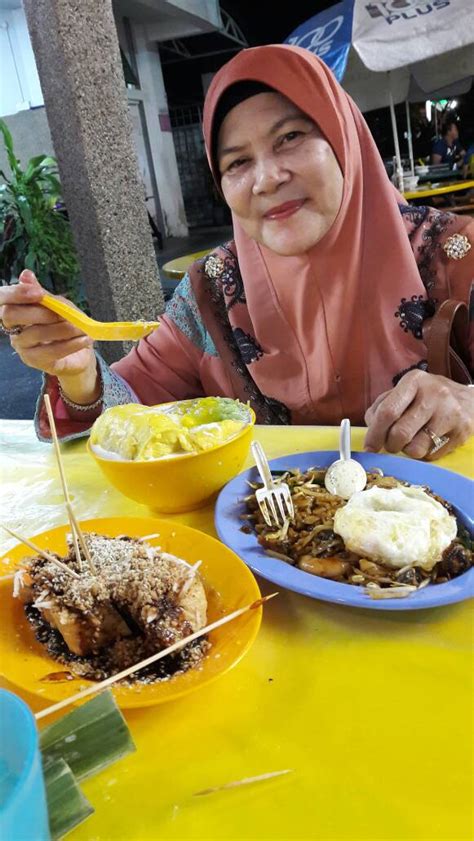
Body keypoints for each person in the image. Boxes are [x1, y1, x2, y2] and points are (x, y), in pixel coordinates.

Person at [0, 45, 473, 461]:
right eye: (238, 162)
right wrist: (80, 372)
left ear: (343, 140)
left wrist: (466, 403)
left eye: (290, 137)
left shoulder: (454, 255)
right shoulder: (212, 289)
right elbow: (130, 415)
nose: (266, 179)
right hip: (254, 550)